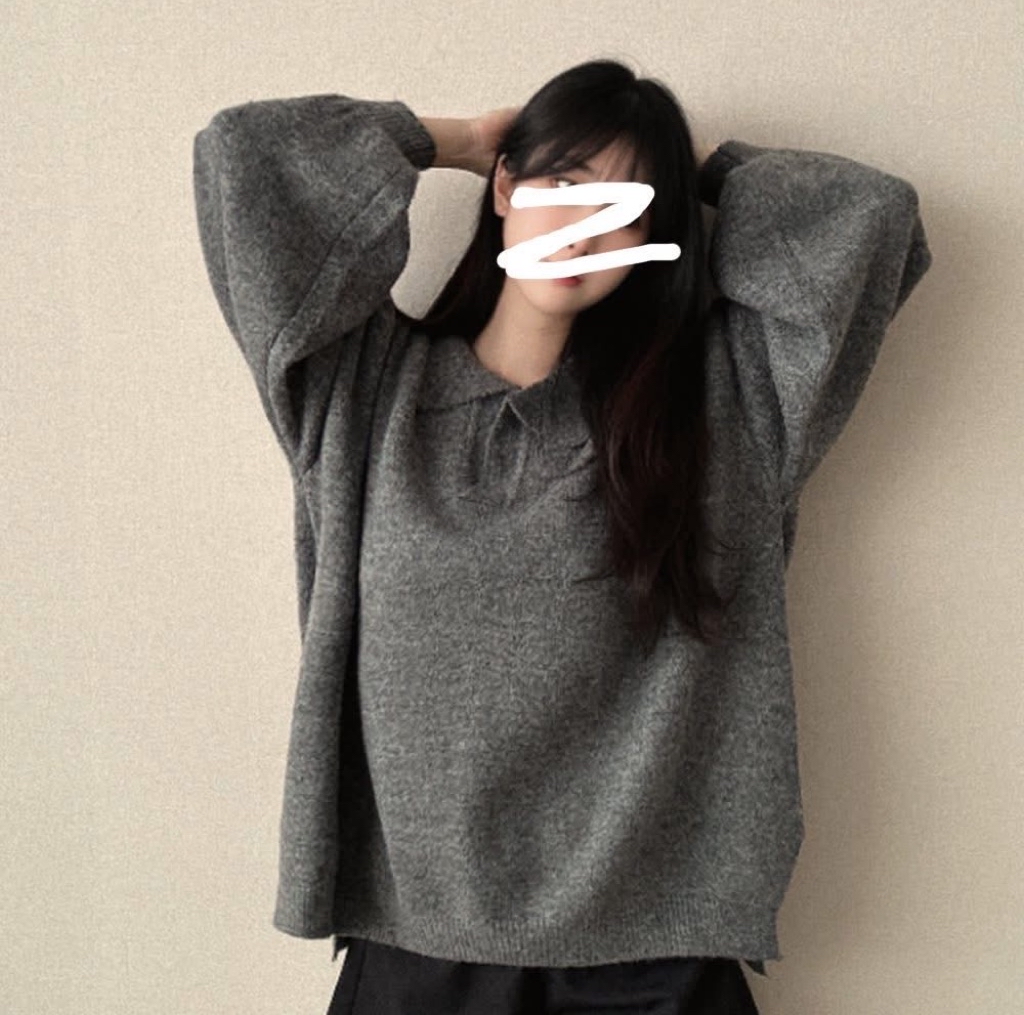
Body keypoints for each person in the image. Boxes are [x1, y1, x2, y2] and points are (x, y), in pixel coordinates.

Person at [192, 58, 932, 1014]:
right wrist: (456, 141)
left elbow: (871, 218)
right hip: (419, 950)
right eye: (567, 184)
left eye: (626, 208)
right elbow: (243, 159)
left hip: (658, 956)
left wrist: (700, 167)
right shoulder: (363, 397)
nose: (586, 225)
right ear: (507, 187)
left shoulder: (726, 406)